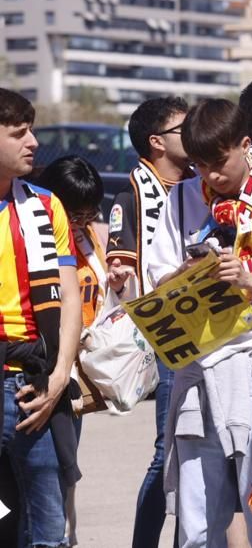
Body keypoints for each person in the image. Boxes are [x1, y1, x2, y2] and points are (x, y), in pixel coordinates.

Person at [147, 99, 252, 548]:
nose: (211, 176)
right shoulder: (181, 197)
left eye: (219, 162)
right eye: (198, 165)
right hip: (199, 367)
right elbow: (155, 279)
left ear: (245, 144)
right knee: (197, 518)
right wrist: (183, 274)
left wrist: (249, 280)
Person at [103, 95, 192, 548]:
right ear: (157, 142)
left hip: (217, 331)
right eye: (184, 127)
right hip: (171, 337)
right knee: (169, 452)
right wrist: (119, 273)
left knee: (204, 455)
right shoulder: (133, 193)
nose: (194, 132)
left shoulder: (203, 185)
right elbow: (120, 263)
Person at [0, 88, 83, 548]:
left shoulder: (45, 205)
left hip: (36, 381)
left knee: (47, 519)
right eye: (18, 133)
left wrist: (59, 376)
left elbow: (69, 298)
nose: (33, 141)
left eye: (30, 129)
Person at [36, 156, 107, 547]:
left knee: (64, 465)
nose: (83, 222)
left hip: (74, 372)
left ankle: (64, 534)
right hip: (38, 365)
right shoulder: (33, 236)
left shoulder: (84, 237)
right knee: (35, 472)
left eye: (89, 213)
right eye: (75, 214)